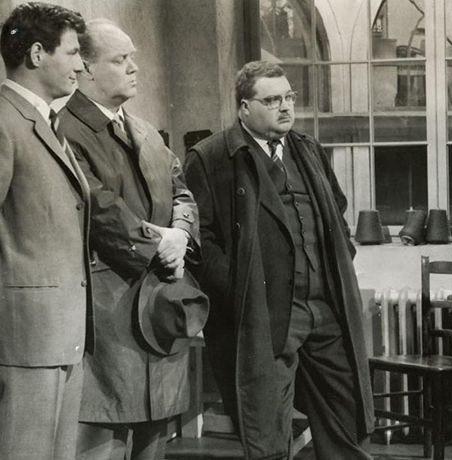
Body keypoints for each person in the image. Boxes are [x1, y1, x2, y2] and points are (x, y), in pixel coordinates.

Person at [184, 61, 374, 459]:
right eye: (272, 100)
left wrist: (342, 256)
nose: (285, 107)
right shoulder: (212, 157)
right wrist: (239, 290)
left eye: (289, 97)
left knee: (345, 421)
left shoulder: (307, 150)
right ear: (244, 107)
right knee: (267, 433)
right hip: (263, 316)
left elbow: (336, 213)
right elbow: (200, 242)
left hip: (325, 308)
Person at [57, 19, 201, 460]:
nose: (134, 68)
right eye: (121, 60)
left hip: (159, 306)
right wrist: (161, 246)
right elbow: (99, 206)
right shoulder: (65, 130)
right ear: (86, 68)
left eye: (132, 57)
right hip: (109, 313)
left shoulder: (144, 131)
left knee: (155, 440)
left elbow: (181, 190)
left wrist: (181, 234)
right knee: (104, 440)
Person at [0, 3, 90, 459]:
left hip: (60, 336)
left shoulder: (46, 122)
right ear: (37, 54)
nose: (81, 65)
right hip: (23, 339)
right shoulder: (4, 122)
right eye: (73, 52)